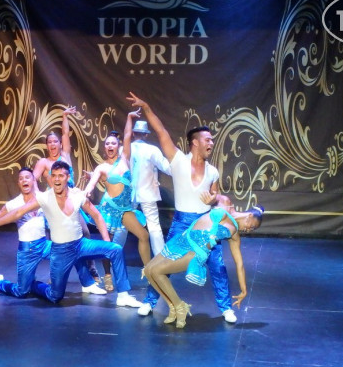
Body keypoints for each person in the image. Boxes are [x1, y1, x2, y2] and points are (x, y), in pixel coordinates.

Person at [126, 92, 240, 323]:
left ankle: (226, 307)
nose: (211, 143)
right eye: (208, 140)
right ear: (195, 142)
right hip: (181, 222)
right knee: (163, 263)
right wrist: (146, 107)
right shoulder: (178, 160)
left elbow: (216, 196)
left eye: (212, 140)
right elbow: (161, 131)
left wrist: (213, 201)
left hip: (205, 224)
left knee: (217, 265)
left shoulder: (212, 172)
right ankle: (150, 301)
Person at [0, 160, 144, 307]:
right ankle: (22, 284)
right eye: (53, 176)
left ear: (67, 177)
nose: (56, 179)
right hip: (61, 252)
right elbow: (18, 212)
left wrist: (106, 240)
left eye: (60, 176)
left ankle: (123, 296)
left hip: (81, 245)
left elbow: (96, 216)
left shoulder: (77, 196)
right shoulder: (44, 198)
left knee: (115, 249)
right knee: (55, 296)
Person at [0, 167, 106, 297]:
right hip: (27, 250)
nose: (24, 180)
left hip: (44, 244)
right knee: (21, 291)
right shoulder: (13, 204)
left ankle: (88, 284)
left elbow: (66, 192)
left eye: (27, 177)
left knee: (71, 249)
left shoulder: (44, 197)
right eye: (21, 179)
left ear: (34, 180)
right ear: (18, 183)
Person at [144, 196, 263, 328]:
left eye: (252, 230)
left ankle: (180, 306)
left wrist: (244, 290)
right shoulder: (226, 205)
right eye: (252, 226)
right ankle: (172, 306)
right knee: (149, 270)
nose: (249, 230)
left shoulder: (234, 235)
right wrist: (211, 199)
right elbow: (215, 195)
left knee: (157, 271)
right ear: (249, 215)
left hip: (195, 252)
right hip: (182, 240)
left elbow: (239, 264)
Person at [83, 110, 150, 291]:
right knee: (108, 245)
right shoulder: (102, 167)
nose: (110, 146)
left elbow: (127, 135)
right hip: (109, 210)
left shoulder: (125, 159)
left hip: (125, 210)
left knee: (143, 236)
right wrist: (87, 192)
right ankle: (107, 275)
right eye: (107, 144)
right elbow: (92, 183)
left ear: (118, 145)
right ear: (104, 148)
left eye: (113, 143)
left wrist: (129, 117)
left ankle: (149, 271)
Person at [31, 105, 100, 282]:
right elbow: (32, 180)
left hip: (71, 201)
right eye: (49, 142)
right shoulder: (43, 162)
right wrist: (39, 199)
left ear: (60, 144)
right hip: (54, 204)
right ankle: (55, 275)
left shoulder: (65, 156)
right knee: (56, 241)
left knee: (84, 233)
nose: (53, 144)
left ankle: (91, 268)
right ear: (46, 145)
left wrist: (65, 116)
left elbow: (65, 133)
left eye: (55, 141)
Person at [111, 117, 171, 266]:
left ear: (134, 134)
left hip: (128, 193)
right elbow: (167, 167)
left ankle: (113, 256)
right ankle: (160, 260)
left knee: (122, 225)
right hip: (147, 192)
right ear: (146, 134)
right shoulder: (152, 150)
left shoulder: (123, 149)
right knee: (154, 226)